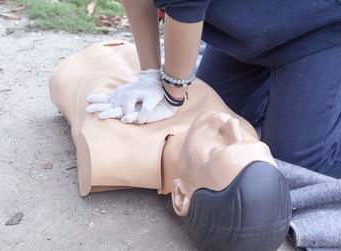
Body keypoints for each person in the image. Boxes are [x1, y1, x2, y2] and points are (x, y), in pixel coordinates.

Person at [49, 42, 291, 250]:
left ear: (180, 196)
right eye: (252, 142)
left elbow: (89, 82)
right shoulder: (237, 126)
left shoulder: (107, 148)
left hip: (90, 59)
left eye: (218, 149)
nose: (231, 126)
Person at [86, 0, 341, 178]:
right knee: (208, 132)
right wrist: (150, 74)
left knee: (295, 167)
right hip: (246, 26)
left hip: (321, 24)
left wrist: (172, 91)